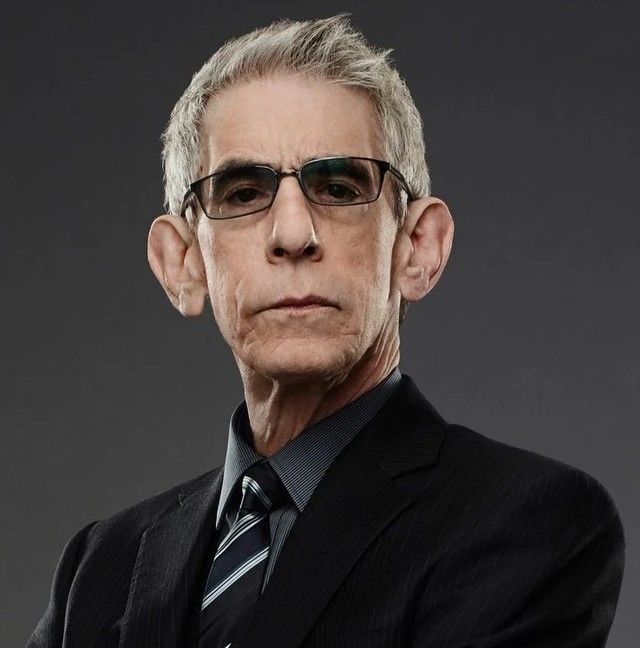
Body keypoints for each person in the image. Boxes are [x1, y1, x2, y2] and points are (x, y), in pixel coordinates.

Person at [27, 13, 625, 648]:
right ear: (182, 263)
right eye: (243, 192)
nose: (293, 233)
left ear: (417, 247)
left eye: (338, 188)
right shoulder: (102, 567)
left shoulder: (528, 523)